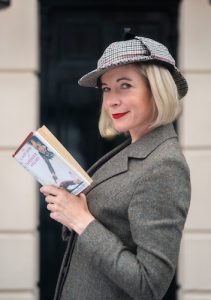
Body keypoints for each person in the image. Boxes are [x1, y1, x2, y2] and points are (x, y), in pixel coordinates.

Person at [40, 33, 191, 300]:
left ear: (157, 90)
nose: (111, 101)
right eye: (107, 89)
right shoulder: (132, 148)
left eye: (125, 85)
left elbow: (149, 285)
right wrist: (70, 208)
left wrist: (81, 220)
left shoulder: (164, 165)